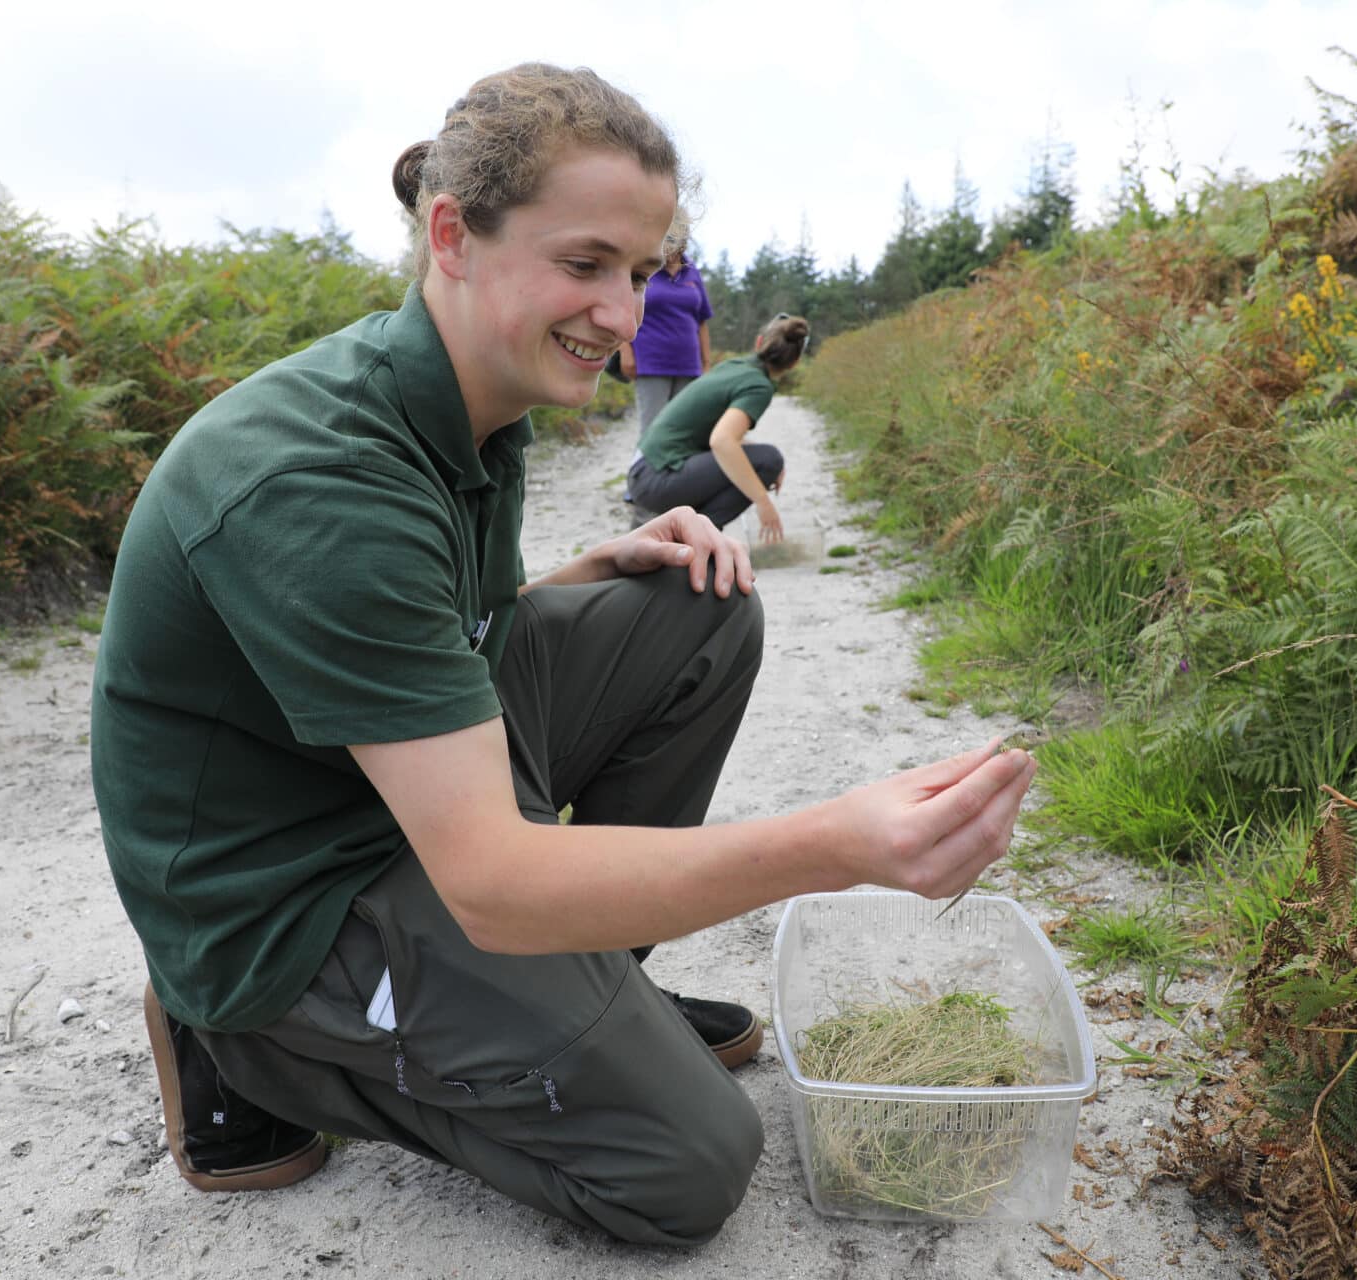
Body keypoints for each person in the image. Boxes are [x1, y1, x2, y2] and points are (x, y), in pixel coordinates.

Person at [90, 63, 1037, 1248]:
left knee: (699, 606)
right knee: (687, 1165)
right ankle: (239, 1041)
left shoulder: (473, 398)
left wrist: (584, 570)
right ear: (453, 234)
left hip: (385, 790)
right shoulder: (321, 478)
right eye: (585, 264)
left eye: (640, 274)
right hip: (292, 887)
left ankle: (577, 994)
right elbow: (487, 875)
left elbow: (428, 638)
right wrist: (838, 843)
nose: (624, 314)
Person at [625, 314, 804, 543]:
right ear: (796, 361)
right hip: (656, 477)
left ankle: (690, 536)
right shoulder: (759, 385)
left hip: (645, 469)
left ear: (759, 343)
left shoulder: (735, 366)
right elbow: (722, 441)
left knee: (760, 458)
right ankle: (696, 539)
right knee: (769, 459)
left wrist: (755, 458)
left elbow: (720, 434)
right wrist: (764, 503)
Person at [617, 240, 713, 430]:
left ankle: (680, 461)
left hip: (689, 366)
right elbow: (622, 311)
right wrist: (625, 351)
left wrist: (707, 364)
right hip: (651, 363)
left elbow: (701, 322)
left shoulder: (692, 272)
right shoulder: (645, 268)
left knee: (686, 428)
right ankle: (644, 461)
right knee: (652, 428)